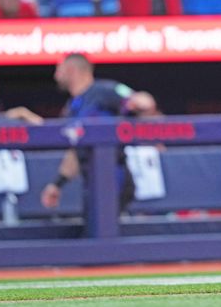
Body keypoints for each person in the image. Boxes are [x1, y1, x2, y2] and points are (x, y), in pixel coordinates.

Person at [40, 53, 157, 217]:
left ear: (71, 69)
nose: (55, 76)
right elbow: (75, 152)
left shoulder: (105, 90)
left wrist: (137, 103)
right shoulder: (71, 108)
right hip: (91, 181)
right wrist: (57, 184)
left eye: (59, 70)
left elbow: (144, 101)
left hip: (114, 177)